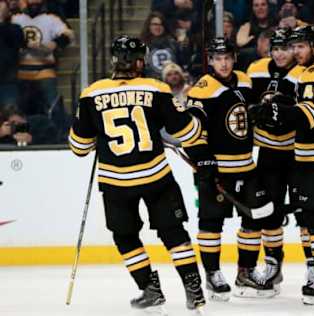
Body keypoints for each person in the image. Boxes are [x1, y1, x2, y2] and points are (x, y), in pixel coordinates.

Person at [69, 35, 206, 313]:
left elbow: (79, 147)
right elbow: (188, 134)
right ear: (141, 61)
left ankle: (149, 288)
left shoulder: (91, 93)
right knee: (173, 233)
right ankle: (193, 289)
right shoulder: (156, 88)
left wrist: (95, 131)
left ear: (113, 60)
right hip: (156, 177)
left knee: (126, 237)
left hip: (116, 183)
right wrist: (195, 113)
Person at [250, 25, 314, 304]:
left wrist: (272, 110)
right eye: (293, 46)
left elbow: (308, 115)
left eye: (301, 46)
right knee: (313, 216)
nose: (296, 52)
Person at [185, 37, 275, 301]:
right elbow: (192, 132)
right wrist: (203, 160)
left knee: (253, 219)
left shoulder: (245, 81)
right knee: (212, 222)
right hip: (217, 168)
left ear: (234, 58)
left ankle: (245, 271)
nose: (223, 63)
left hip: (246, 165)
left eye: (227, 58)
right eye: (217, 58)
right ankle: (212, 274)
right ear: (210, 60)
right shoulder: (202, 89)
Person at [246, 28, 306, 294]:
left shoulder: (303, 73)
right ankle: (273, 264)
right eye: (276, 48)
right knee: (268, 210)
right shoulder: (255, 70)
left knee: (306, 213)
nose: (281, 54)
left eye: (286, 48)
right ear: (269, 50)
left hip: (297, 152)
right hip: (268, 153)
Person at [12, 0, 74, 116]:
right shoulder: (16, 19)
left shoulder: (51, 19)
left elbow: (68, 34)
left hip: (44, 70)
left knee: (53, 106)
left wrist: (55, 43)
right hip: (21, 71)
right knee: (18, 109)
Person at [0, 0, 23, 110]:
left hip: (8, 80)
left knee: (11, 113)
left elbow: (16, 41)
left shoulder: (15, 28)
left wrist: (1, 20)